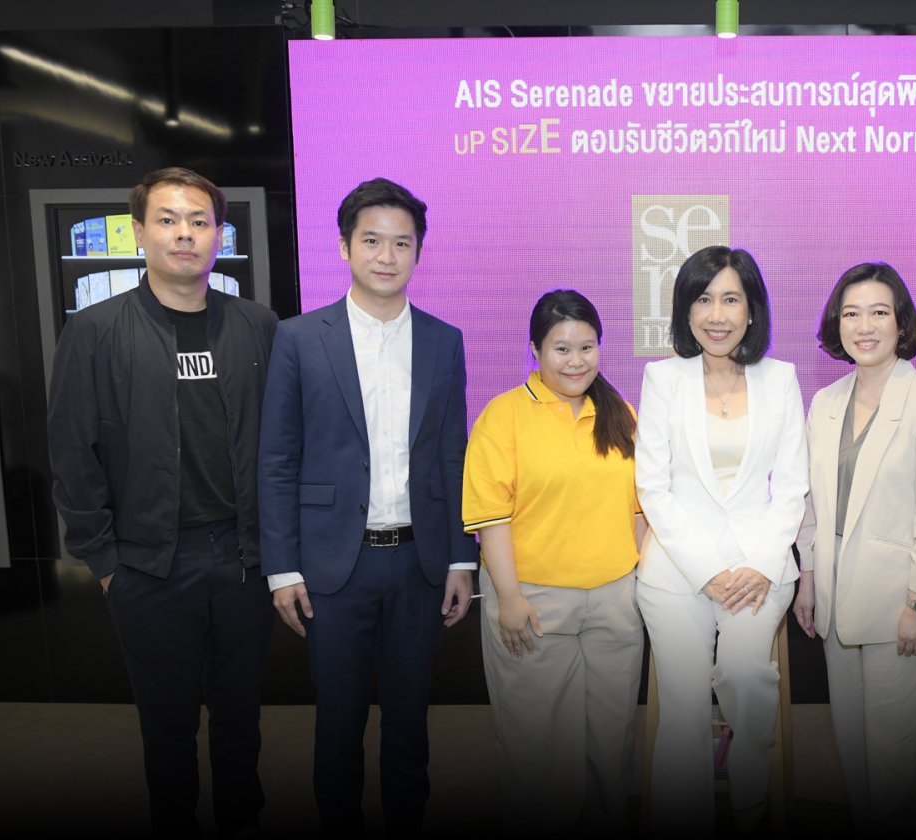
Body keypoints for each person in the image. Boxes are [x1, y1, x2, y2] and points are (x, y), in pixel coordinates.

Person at [47, 166, 277, 838]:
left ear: (219, 235)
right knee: (167, 728)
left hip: (243, 560)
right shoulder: (96, 331)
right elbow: (72, 450)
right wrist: (105, 560)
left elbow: (282, 443)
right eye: (169, 220)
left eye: (200, 221)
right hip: (148, 567)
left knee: (241, 721)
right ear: (140, 231)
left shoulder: (258, 326)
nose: (185, 234)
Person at [258, 177, 476, 837]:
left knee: (410, 720)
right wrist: (282, 568)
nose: (387, 256)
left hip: (418, 562)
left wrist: (461, 559)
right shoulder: (299, 338)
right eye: (373, 241)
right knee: (338, 720)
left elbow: (453, 456)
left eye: (402, 243)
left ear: (419, 252)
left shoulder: (444, 340)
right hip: (333, 566)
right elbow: (277, 459)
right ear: (345, 247)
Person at [634, 245, 808, 834]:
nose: (716, 314)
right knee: (683, 708)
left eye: (730, 299)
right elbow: (653, 487)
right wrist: (706, 570)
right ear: (685, 310)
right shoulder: (662, 379)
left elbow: (792, 485)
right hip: (678, 569)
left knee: (742, 673)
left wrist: (760, 564)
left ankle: (750, 792)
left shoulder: (781, 379)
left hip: (761, 565)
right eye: (703, 299)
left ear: (751, 309)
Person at [462, 289, 647, 833]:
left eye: (587, 347)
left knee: (612, 741)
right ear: (536, 350)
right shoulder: (504, 416)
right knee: (538, 746)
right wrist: (509, 598)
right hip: (533, 602)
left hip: (616, 602)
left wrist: (639, 581)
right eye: (561, 349)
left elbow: (641, 510)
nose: (575, 361)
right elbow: (491, 518)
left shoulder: (620, 414)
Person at [793, 262, 916, 831]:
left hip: (900, 607)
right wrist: (808, 581)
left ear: (901, 323)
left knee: (895, 764)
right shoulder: (825, 401)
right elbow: (811, 502)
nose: (864, 326)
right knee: (855, 757)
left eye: (879, 312)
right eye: (851, 313)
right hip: (836, 597)